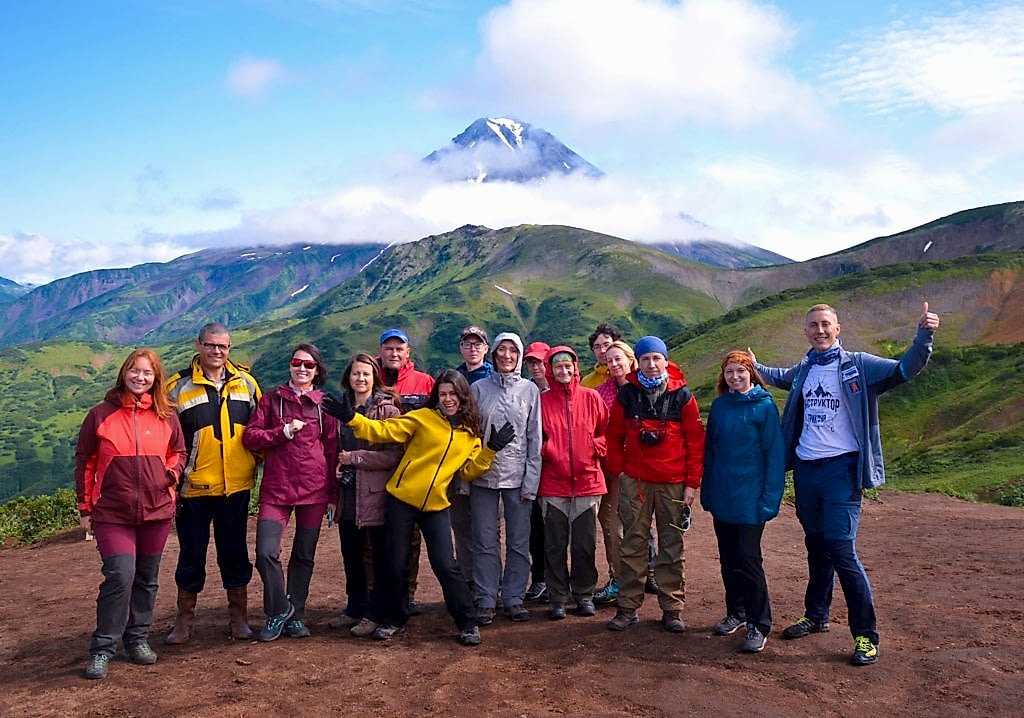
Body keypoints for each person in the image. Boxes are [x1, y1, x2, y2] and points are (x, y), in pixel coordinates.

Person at [752, 302, 940, 666]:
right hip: (807, 470)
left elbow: (905, 369)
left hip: (842, 471)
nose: (819, 330)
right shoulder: (806, 368)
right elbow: (778, 377)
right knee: (816, 545)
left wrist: (924, 336)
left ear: (838, 328)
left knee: (841, 550)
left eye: (826, 325)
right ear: (806, 332)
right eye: (813, 326)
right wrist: (753, 365)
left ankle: (866, 636)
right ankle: (817, 615)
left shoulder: (859, 364)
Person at [323, 370, 516, 646]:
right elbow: (383, 430)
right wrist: (352, 418)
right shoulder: (423, 418)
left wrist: (490, 449)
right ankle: (395, 618)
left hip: (436, 504)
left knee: (446, 565)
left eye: (453, 394)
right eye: (443, 393)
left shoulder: (470, 434)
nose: (447, 399)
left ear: (463, 397)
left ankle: (467, 622)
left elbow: (470, 472)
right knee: (396, 563)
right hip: (401, 499)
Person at [76, 349, 186, 680]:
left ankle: (137, 639)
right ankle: (102, 648)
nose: (140, 377)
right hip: (112, 511)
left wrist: (169, 475)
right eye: (135, 371)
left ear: (156, 378)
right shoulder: (100, 415)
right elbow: (85, 461)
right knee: (120, 575)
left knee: (146, 578)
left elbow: (179, 452)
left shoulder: (167, 415)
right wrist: (84, 507)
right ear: (124, 373)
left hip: (156, 510)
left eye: (147, 373)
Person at [165, 322, 261, 645]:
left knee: (234, 552)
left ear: (229, 348)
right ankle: (184, 621)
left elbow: (261, 431)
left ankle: (239, 618)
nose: (216, 352)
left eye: (223, 346)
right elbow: (165, 442)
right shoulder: (177, 388)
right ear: (198, 345)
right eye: (210, 345)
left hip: (235, 487)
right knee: (191, 553)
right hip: (193, 488)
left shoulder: (246, 384)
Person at [605, 336, 704, 633]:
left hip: (673, 483)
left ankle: (672, 608)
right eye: (645, 358)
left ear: (665, 360)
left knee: (671, 544)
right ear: (638, 361)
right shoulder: (628, 395)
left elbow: (695, 442)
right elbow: (613, 436)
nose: (651, 364)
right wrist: (620, 471)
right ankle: (628, 606)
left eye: (656, 358)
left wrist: (691, 484)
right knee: (633, 543)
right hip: (636, 481)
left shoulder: (682, 395)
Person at [243, 343, 337, 642]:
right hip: (276, 490)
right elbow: (251, 437)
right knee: (265, 553)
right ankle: (279, 609)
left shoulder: (325, 405)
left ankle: (296, 616)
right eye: (297, 362)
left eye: (309, 365)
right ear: (290, 365)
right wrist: (281, 433)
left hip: (315, 490)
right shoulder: (271, 401)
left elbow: (333, 451)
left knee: (304, 555)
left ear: (317, 371)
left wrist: (334, 497)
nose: (302, 368)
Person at [702, 351, 785, 653]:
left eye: (740, 371)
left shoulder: (764, 407)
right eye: (729, 372)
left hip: (751, 499)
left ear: (751, 373)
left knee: (748, 560)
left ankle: (758, 623)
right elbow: (710, 451)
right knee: (728, 559)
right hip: (723, 495)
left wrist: (769, 500)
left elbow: (775, 457)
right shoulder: (721, 406)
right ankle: (735, 612)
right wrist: (708, 490)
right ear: (723, 377)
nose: (735, 377)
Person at [469, 332, 542, 624]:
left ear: (519, 355)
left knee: (518, 541)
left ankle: (513, 597)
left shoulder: (529, 390)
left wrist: (531, 481)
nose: (507, 356)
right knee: (485, 540)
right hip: (482, 476)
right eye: (502, 350)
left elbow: (534, 439)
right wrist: (466, 477)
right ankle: (486, 598)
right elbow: (470, 435)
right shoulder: (478, 389)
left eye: (513, 350)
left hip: (518, 476)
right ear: (494, 354)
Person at [329, 353, 403, 638]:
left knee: (379, 556)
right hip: (348, 493)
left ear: (375, 378)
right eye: (356, 373)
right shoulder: (340, 408)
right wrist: (338, 465)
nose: (360, 378)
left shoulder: (388, 411)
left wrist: (353, 459)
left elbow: (393, 456)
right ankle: (355, 607)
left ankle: (375, 612)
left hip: (375, 494)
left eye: (366, 374)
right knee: (351, 554)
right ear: (348, 376)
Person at [538, 346, 608, 620]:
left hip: (588, 482)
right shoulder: (542, 401)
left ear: (575, 368)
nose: (564, 371)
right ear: (550, 370)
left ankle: (584, 594)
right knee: (554, 544)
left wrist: (595, 447)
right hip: (552, 483)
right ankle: (557, 597)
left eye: (568, 366)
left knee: (584, 544)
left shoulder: (591, 398)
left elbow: (606, 431)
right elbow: (536, 436)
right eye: (558, 367)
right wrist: (547, 450)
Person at [378, 327, 434, 614]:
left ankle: (407, 594)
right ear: (381, 352)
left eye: (399, 348)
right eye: (389, 348)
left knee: (410, 537)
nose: (394, 353)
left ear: (408, 352)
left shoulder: (425, 383)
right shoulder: (368, 377)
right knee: (372, 536)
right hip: (375, 469)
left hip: (413, 470)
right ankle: (372, 595)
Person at [592, 340, 636, 607]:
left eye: (618, 358)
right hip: (611, 467)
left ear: (630, 359)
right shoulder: (600, 393)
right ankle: (619, 578)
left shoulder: (645, 389)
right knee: (610, 522)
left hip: (643, 468)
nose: (614, 364)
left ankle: (640, 576)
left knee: (638, 524)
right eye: (609, 361)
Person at [451, 325, 492, 596]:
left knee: (486, 530)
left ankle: (489, 583)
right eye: (468, 344)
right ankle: (468, 580)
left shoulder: (495, 377)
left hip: (487, 461)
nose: (473, 348)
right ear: (461, 347)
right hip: (457, 462)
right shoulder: (453, 378)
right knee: (462, 526)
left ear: (486, 348)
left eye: (477, 344)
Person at [522, 340, 550, 602]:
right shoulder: (527, 391)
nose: (535, 366)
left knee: (557, 528)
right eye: (530, 362)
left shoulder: (559, 391)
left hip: (555, 471)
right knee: (535, 527)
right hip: (532, 470)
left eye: (539, 361)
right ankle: (540, 578)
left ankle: (557, 579)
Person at [581, 322, 623, 389]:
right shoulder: (586, 383)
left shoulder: (633, 374)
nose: (602, 351)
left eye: (606, 345)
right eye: (597, 347)